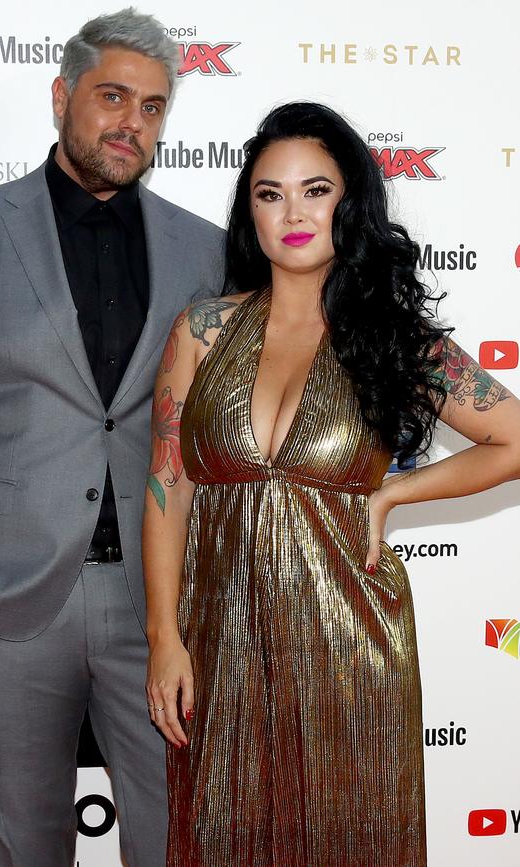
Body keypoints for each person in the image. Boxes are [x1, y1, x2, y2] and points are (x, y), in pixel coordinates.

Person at [0, 9, 224, 867]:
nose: (131, 123)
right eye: (113, 97)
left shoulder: (204, 250)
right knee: (20, 851)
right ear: (62, 97)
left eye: (152, 108)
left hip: (156, 605)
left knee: (178, 841)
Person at [142, 102, 520, 866]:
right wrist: (163, 638)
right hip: (220, 640)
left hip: (351, 644)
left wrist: (394, 493)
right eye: (269, 193)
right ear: (249, 211)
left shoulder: (393, 337)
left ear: (349, 203)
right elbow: (169, 489)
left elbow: (512, 436)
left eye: (315, 190)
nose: (292, 212)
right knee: (222, 832)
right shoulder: (202, 331)